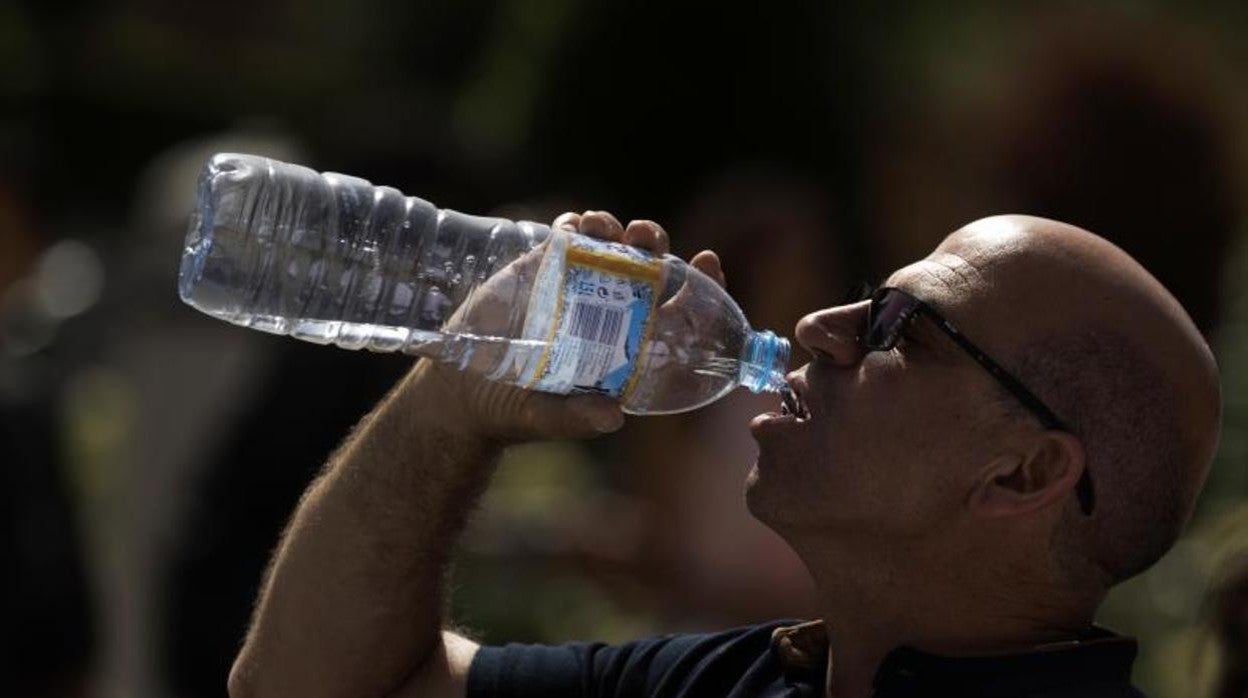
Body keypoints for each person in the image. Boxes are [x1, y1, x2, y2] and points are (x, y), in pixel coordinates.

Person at [226, 212, 1221, 698]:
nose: (820, 326)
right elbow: (308, 684)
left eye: (901, 328)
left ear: (1025, 473)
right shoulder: (745, 676)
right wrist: (448, 406)